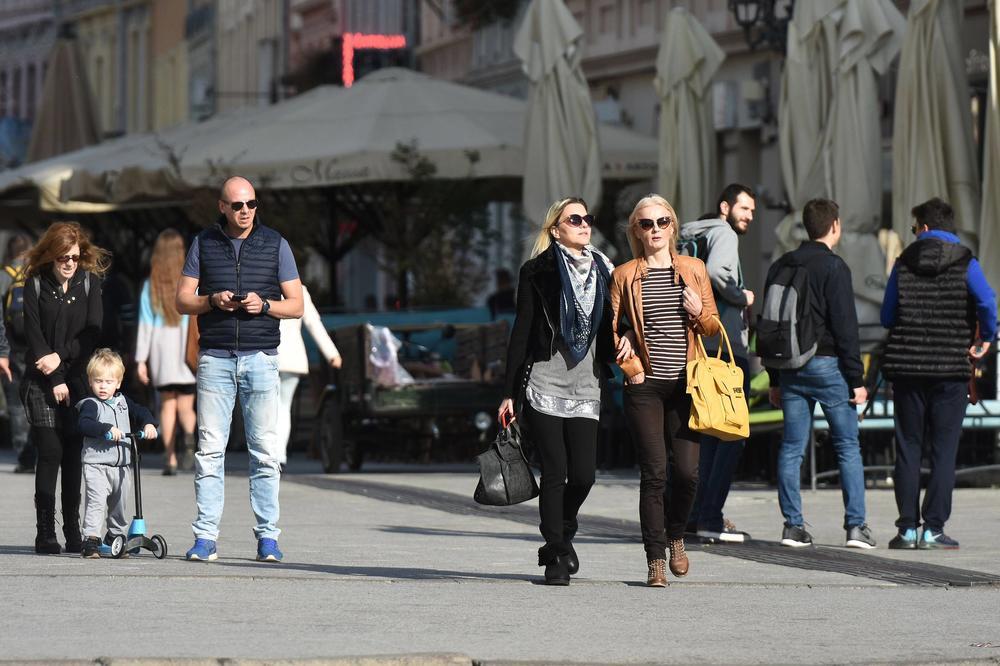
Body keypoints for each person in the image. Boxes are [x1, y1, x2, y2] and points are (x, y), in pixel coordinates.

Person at [176, 176, 303, 563]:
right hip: (215, 356)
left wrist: (263, 305)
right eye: (237, 205)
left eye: (250, 204)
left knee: (264, 451)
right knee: (209, 451)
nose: (245, 211)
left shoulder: (276, 244)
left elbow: (295, 304)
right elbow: (182, 300)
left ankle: (268, 538)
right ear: (222, 207)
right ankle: (205, 538)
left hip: (261, 357)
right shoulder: (203, 243)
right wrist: (211, 300)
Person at [497, 197, 621, 586]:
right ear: (556, 229)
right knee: (555, 471)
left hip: (587, 383)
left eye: (587, 218)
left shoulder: (606, 270)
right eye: (575, 219)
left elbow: (617, 324)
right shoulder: (537, 272)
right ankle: (554, 555)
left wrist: (627, 343)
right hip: (544, 381)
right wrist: (508, 392)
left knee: (584, 475)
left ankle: (563, 531)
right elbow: (521, 332)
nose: (585, 224)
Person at [610, 194, 720, 587]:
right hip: (645, 387)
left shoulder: (693, 268)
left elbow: (712, 327)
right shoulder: (624, 274)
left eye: (661, 222)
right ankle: (655, 559)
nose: (654, 230)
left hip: (688, 385)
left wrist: (698, 312)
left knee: (688, 474)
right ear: (635, 231)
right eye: (646, 224)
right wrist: (631, 364)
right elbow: (612, 330)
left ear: (672, 226)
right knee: (654, 473)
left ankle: (677, 536)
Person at [880, 198, 996, 550]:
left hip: (907, 367)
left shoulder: (903, 264)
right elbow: (988, 303)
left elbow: (887, 316)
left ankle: (906, 530)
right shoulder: (966, 262)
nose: (913, 234)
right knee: (944, 450)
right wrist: (987, 338)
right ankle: (933, 529)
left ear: (925, 228)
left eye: (914, 228)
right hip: (950, 369)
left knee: (908, 448)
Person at [767, 198, 874, 549]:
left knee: (792, 448)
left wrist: (774, 378)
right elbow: (846, 328)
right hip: (828, 366)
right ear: (835, 226)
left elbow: (770, 324)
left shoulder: (782, 263)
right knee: (847, 446)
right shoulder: (834, 267)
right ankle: (856, 527)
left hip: (791, 369)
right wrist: (857, 381)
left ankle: (793, 526)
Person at [677, 184, 757, 543]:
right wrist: (742, 295)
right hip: (723, 347)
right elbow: (718, 273)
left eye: (752, 211)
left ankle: (695, 515)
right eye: (744, 209)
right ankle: (710, 516)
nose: (749, 216)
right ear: (725, 207)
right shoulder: (723, 234)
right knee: (731, 434)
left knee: (706, 434)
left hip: (695, 347)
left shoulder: (691, 236)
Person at [22, 222, 108, 554]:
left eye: (74, 256)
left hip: (76, 379)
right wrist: (53, 374)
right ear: (51, 256)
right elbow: (33, 333)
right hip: (41, 379)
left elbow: (92, 332)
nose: (69, 263)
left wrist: (61, 360)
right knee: (50, 453)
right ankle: (45, 531)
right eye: (62, 257)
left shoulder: (89, 283)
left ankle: (72, 528)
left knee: (73, 455)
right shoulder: (35, 282)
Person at [76, 349, 158, 558]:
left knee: (119, 503)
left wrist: (148, 423)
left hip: (121, 466)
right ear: (90, 382)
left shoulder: (123, 401)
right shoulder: (90, 405)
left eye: (108, 382)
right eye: (98, 381)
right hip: (97, 465)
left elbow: (141, 411)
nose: (103, 386)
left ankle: (114, 536)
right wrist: (105, 429)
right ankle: (91, 540)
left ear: (118, 383)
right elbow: (84, 425)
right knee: (96, 501)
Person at [135, 229, 197, 475]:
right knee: (186, 406)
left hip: (161, 353)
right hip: (186, 351)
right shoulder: (190, 282)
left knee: (167, 406)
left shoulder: (151, 287)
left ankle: (169, 457)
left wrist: (141, 360)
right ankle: (190, 437)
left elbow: (145, 325)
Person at [276, 283, 341, 468]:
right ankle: (279, 455)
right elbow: (313, 322)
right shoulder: (299, 289)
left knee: (264, 409)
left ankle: (268, 454)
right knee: (283, 407)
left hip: (264, 357)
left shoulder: (259, 284)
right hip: (292, 358)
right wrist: (332, 354)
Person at [1, 233, 33, 473]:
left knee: (15, 403)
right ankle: (38, 448)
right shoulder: (37, 274)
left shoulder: (3, 277)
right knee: (37, 399)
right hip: (34, 348)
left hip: (9, 349)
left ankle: (23, 455)